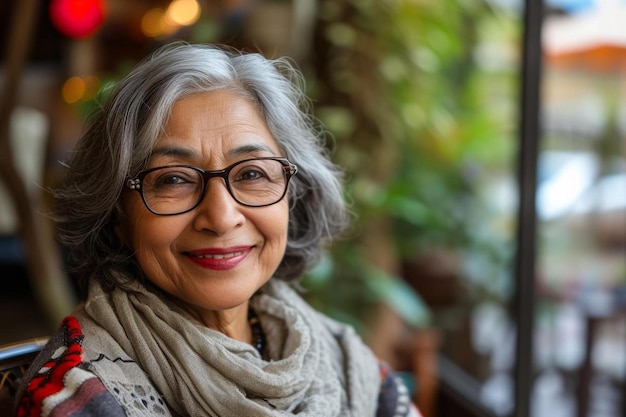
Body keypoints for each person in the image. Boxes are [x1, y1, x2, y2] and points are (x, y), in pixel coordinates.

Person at [15, 42, 421, 417]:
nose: (222, 217)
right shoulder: (78, 396)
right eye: (173, 179)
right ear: (117, 214)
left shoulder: (344, 361)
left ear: (292, 198)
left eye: (251, 173)